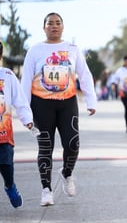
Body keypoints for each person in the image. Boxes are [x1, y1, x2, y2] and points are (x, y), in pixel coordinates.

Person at [21, 12, 97, 206]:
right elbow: (26, 81)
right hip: (41, 104)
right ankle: (46, 189)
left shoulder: (72, 48)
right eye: (50, 23)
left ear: (63, 27)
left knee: (72, 144)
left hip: (67, 103)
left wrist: (91, 101)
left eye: (58, 23)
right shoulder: (35, 50)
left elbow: (85, 75)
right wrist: (25, 112)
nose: (54, 26)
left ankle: (66, 173)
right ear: (44, 27)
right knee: (45, 147)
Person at [0, 42, 35, 209]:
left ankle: (9, 185)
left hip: (3, 132)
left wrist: (26, 118)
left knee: (5, 164)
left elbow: (19, 100)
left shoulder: (7, 75)